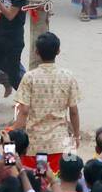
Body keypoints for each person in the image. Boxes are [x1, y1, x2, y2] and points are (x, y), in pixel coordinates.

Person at [12, 33, 81, 167]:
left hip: (34, 142)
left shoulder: (29, 77)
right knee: (65, 177)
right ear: (58, 51)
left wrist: (14, 132)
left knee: (36, 181)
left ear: (37, 52)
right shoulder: (68, 76)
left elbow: (24, 111)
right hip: (63, 140)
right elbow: (73, 112)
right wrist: (76, 136)